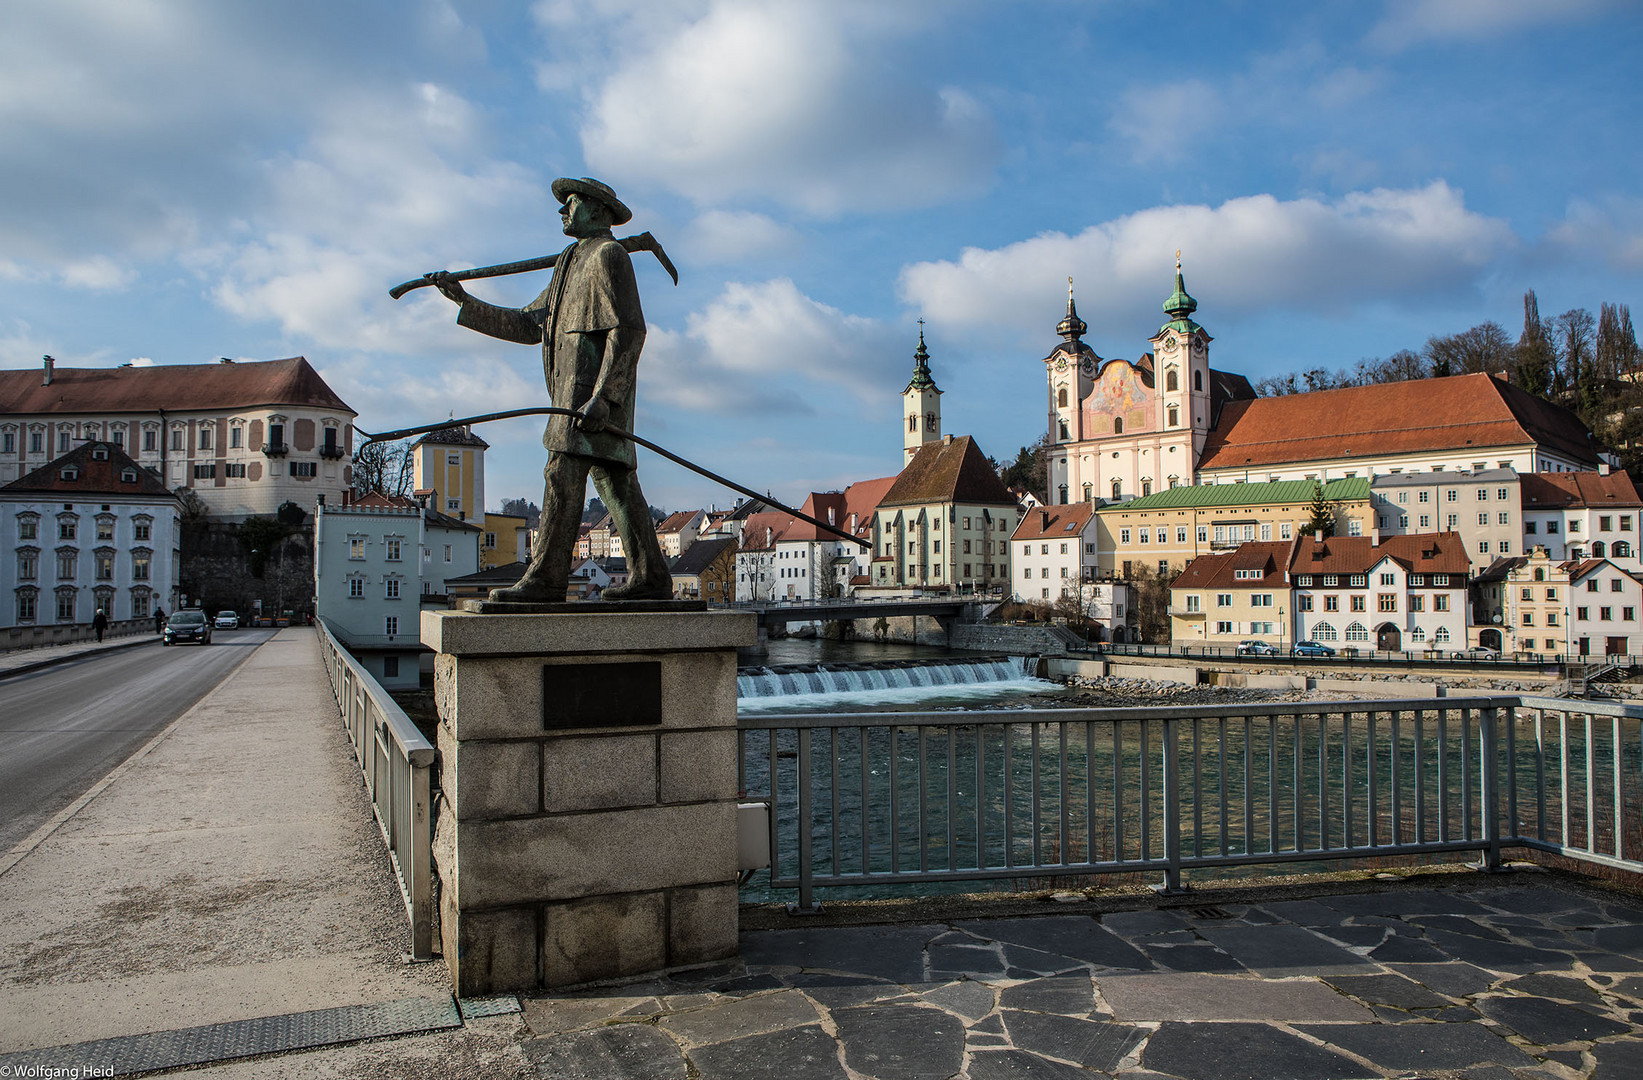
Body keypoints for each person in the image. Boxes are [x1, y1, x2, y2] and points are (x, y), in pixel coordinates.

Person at [428, 177, 670, 603]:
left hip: (590, 400)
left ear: (597, 210)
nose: (561, 211)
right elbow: (527, 324)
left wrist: (605, 397)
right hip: (572, 397)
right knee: (617, 486)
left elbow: (629, 330)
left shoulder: (610, 256)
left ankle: (546, 579)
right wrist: (464, 301)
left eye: (570, 203)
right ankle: (650, 577)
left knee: (562, 475)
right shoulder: (568, 264)